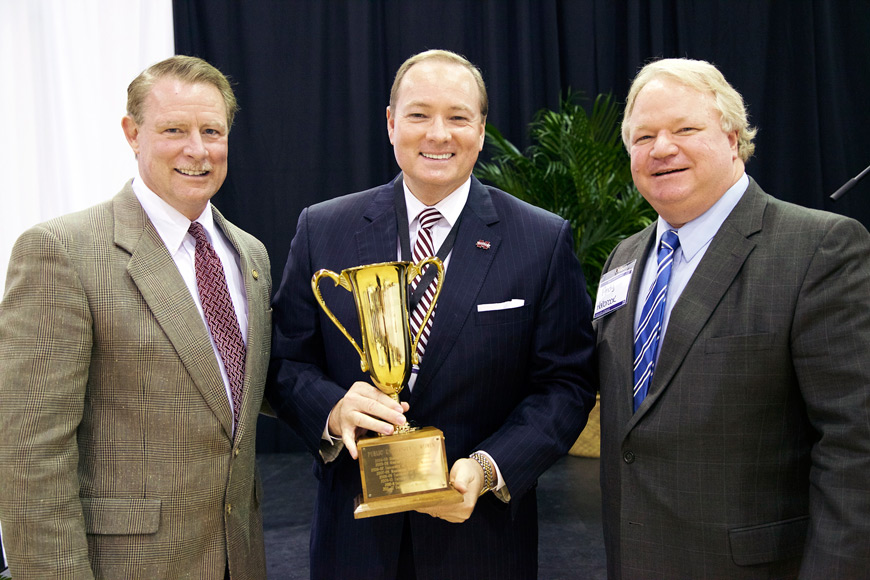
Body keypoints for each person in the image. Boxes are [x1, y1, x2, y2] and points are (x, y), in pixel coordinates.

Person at [267, 49, 597, 579]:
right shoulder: (322, 228)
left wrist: (490, 469)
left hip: (482, 541)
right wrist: (332, 410)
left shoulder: (541, 240)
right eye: (419, 115)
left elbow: (566, 384)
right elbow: (284, 362)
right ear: (392, 124)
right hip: (354, 541)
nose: (438, 134)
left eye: (458, 117)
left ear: (482, 130)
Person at [595, 57, 870, 579]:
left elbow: (856, 449)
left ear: (733, 136)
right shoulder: (624, 259)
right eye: (644, 135)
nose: (662, 148)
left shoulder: (819, 248)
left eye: (685, 129)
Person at [0, 55, 271, 579]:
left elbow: (240, 388)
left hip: (242, 560)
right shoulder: (60, 252)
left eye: (212, 131)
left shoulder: (249, 254)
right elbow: (30, 458)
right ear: (132, 133)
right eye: (174, 129)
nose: (197, 149)